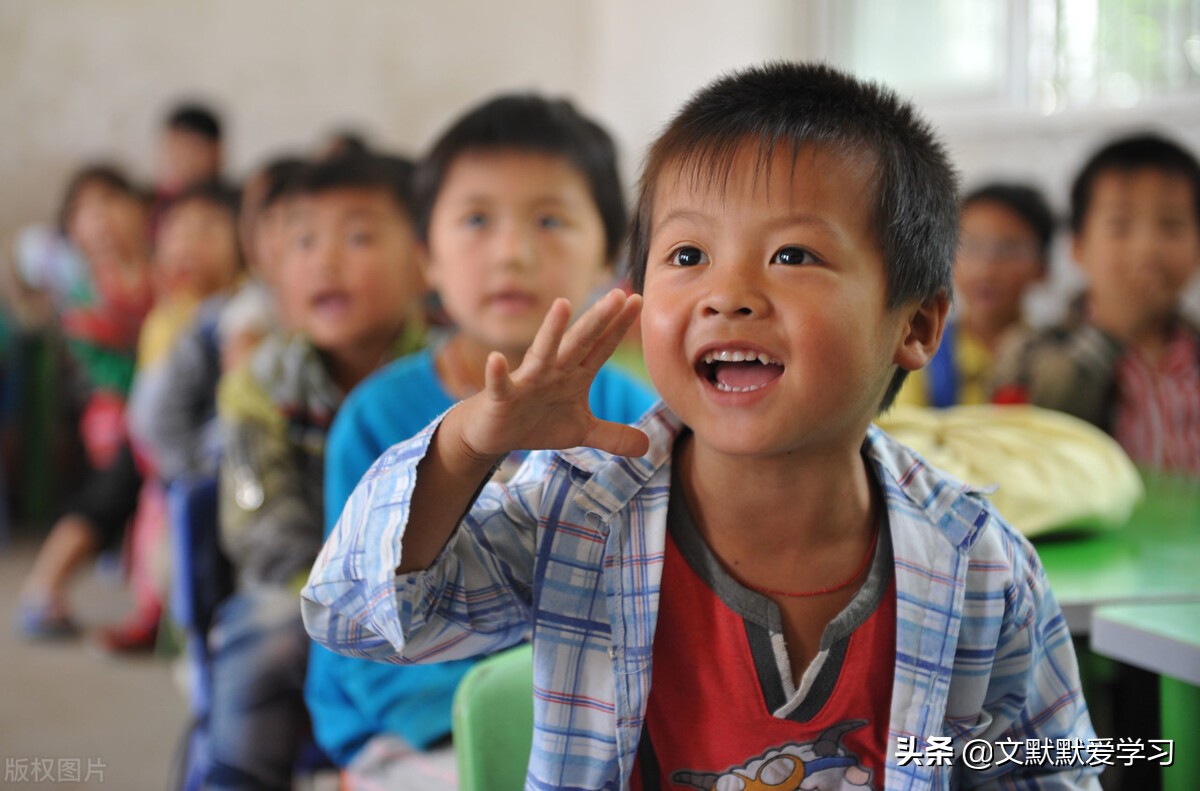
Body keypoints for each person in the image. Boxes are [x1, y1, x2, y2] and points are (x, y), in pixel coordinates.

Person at [303, 63, 1099, 789]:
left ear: (917, 324)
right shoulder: (579, 514)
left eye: (793, 255)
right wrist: (470, 439)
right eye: (687, 255)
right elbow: (354, 612)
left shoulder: (980, 565)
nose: (728, 293)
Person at [306, 94, 657, 788]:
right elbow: (361, 617)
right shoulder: (377, 415)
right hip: (404, 722)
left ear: (608, 255)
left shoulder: (636, 415)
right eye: (475, 220)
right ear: (427, 259)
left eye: (551, 220)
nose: (511, 252)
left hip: (586, 720)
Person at [206, 152, 425, 791]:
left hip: (429, 598)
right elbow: (263, 530)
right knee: (269, 628)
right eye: (302, 240)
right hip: (302, 591)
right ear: (272, 267)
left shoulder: (449, 370)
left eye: (358, 236)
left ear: (422, 259)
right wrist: (349, 610)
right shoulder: (258, 388)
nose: (325, 261)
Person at [990, 133, 1200, 474]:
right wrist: (1110, 334)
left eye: (1172, 226)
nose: (1147, 248)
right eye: (1120, 226)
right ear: (1077, 247)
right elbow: (1026, 451)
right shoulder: (1028, 351)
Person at [16, 164, 155, 638]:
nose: (102, 220)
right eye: (86, 211)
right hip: (122, 419)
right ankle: (43, 588)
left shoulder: (165, 273)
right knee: (114, 484)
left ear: (140, 210)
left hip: (165, 410)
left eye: (111, 203)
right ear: (72, 230)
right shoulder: (84, 303)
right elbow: (119, 379)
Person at [895, 183, 1054, 408]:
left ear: (1043, 267)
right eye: (971, 246)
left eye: (1009, 249)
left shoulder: (1055, 361)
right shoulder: (918, 354)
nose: (987, 268)